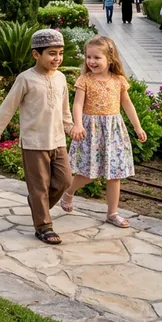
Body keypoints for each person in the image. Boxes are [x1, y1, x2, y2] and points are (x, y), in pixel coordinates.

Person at [0, 29, 73, 245]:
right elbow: (10, 104)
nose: (58, 58)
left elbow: (65, 109)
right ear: (36, 54)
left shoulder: (61, 79)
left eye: (60, 53)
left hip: (58, 140)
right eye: (52, 53)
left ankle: (37, 204)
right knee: (39, 187)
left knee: (65, 181)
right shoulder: (25, 79)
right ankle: (43, 226)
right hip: (34, 142)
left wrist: (70, 126)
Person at [61, 36, 147, 228]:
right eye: (88, 57)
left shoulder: (119, 80)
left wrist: (137, 126)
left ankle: (112, 213)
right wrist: (77, 124)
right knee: (89, 173)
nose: (91, 61)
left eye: (96, 57)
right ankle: (69, 191)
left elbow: (127, 104)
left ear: (110, 58)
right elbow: (77, 105)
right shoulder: (85, 80)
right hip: (90, 129)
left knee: (114, 174)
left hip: (113, 131)